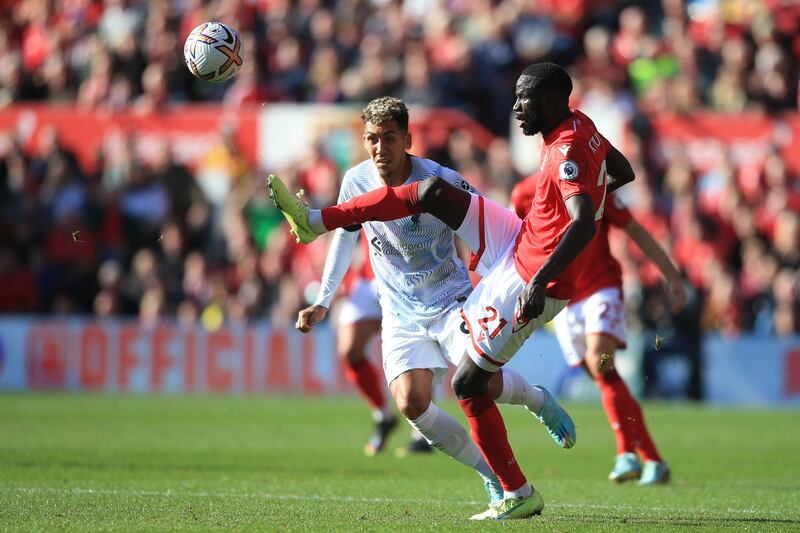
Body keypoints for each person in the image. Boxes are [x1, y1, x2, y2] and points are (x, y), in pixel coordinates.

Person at [268, 63, 636, 519]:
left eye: (525, 99)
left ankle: (519, 482)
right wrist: (324, 298)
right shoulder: (580, 125)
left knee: (469, 383)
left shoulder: (566, 150)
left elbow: (582, 221)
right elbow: (622, 171)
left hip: (515, 275)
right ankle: (316, 221)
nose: (515, 107)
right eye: (372, 138)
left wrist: (538, 277)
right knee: (428, 195)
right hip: (510, 245)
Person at [513, 175, 685, 484]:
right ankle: (654, 460)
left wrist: (671, 275)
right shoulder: (524, 194)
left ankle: (625, 454)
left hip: (600, 288)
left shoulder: (591, 184)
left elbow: (634, 229)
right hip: (561, 300)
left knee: (600, 361)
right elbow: (515, 243)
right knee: (607, 377)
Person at [303, 230, 432, 456]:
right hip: (369, 279)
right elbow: (345, 227)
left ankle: (421, 432)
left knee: (417, 350)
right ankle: (384, 416)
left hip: (408, 278)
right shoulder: (360, 192)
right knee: (349, 350)